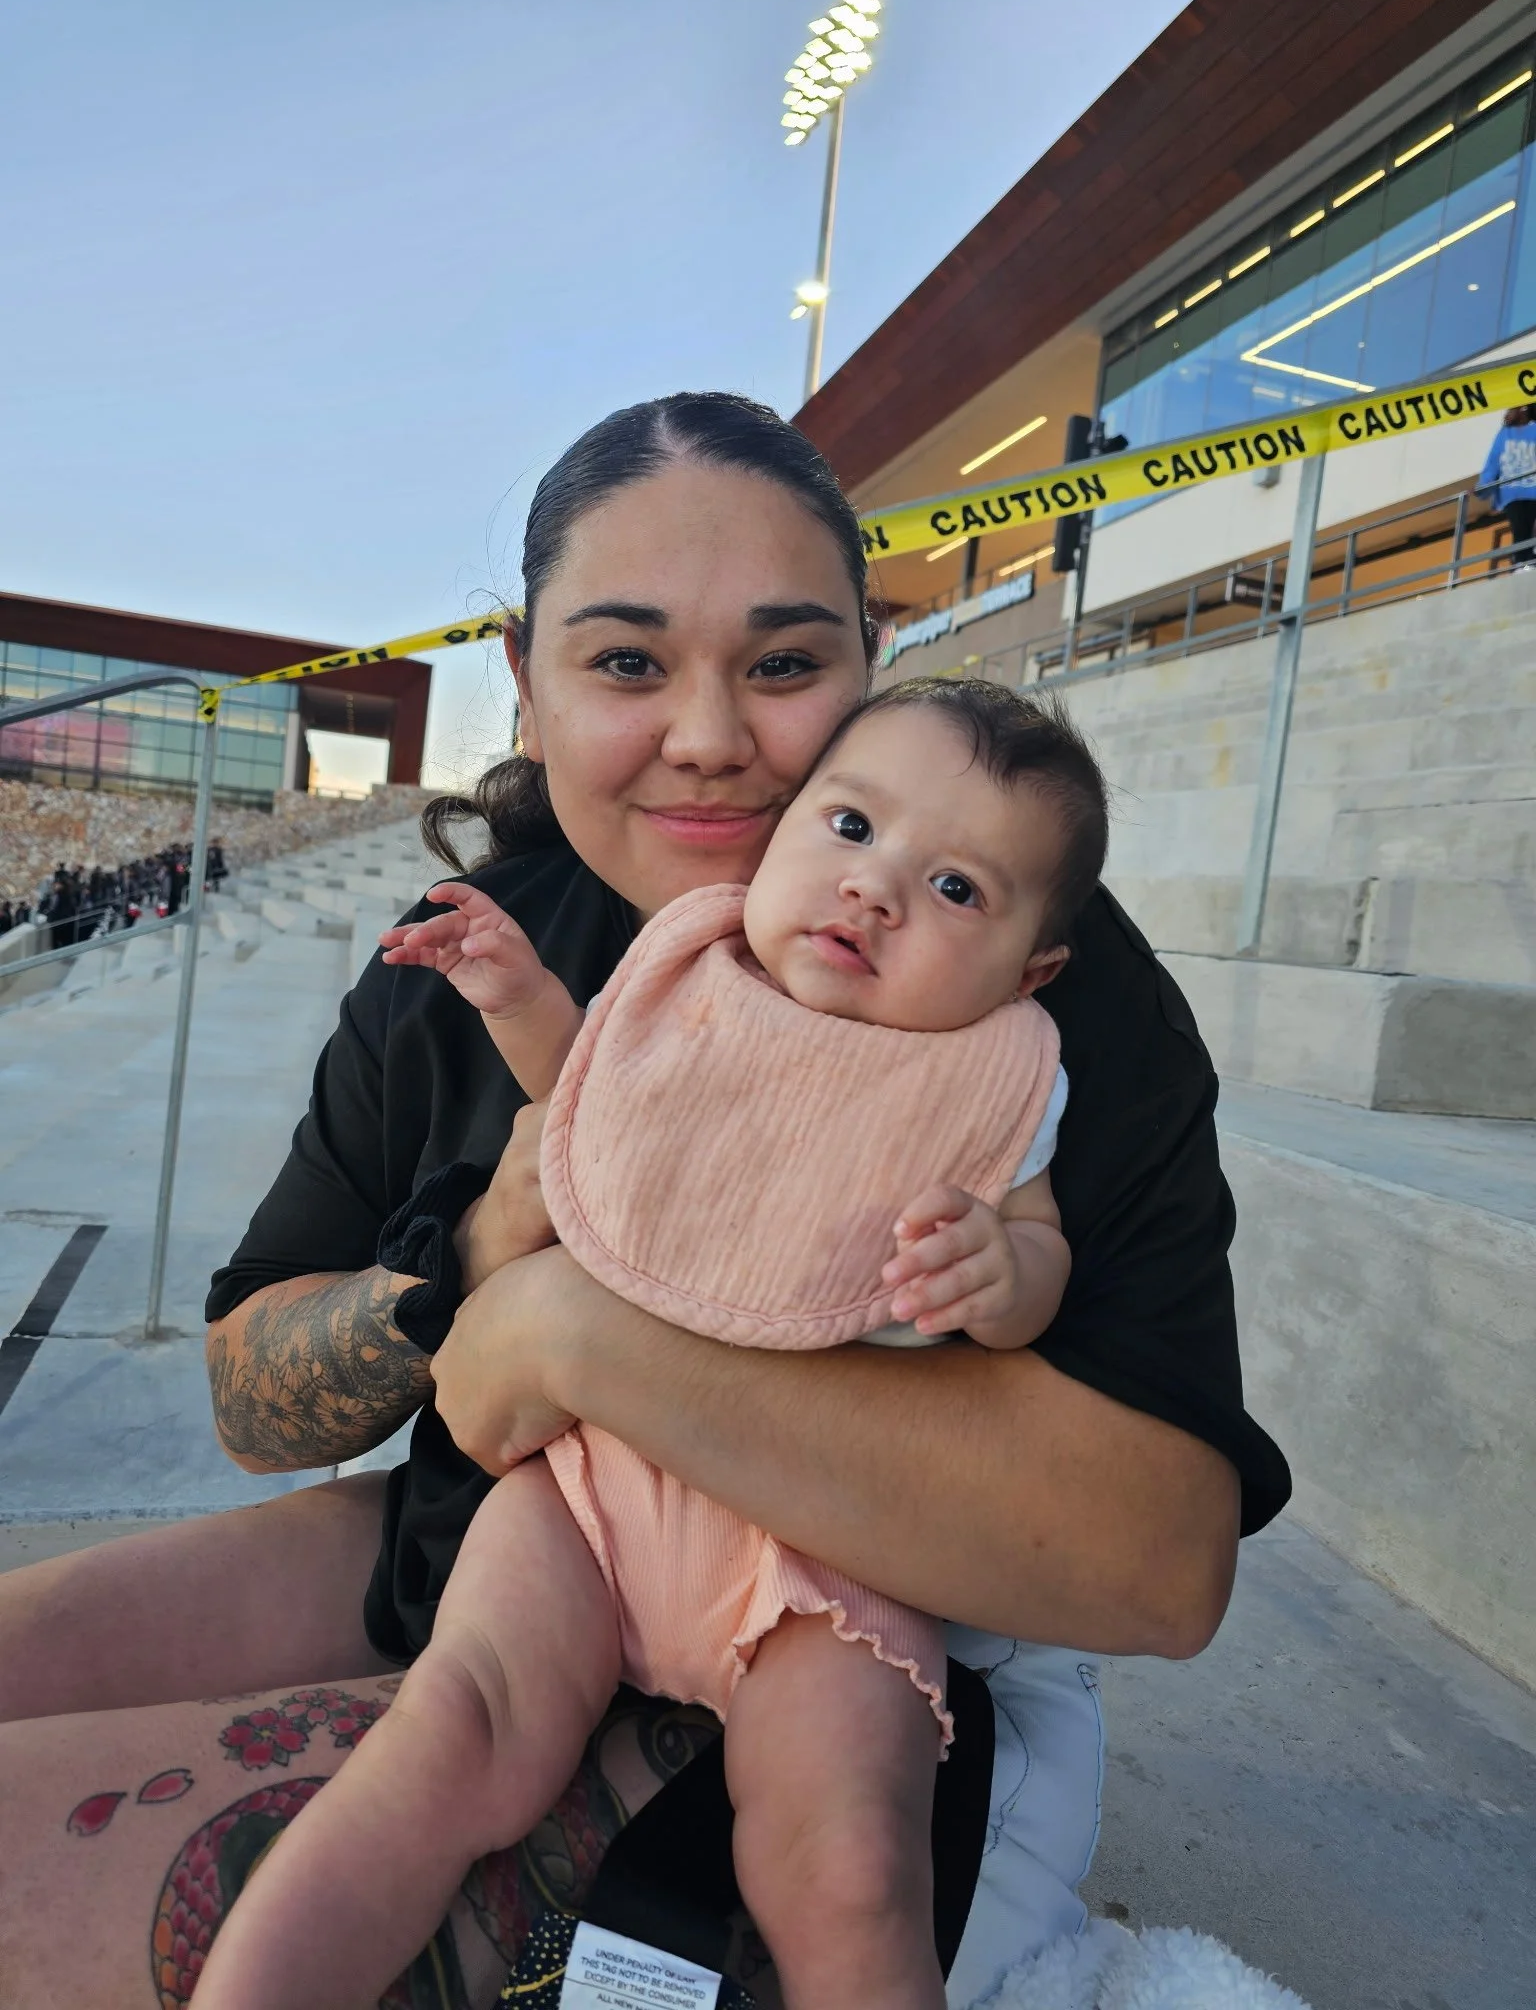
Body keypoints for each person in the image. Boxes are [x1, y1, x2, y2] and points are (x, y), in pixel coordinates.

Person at [0, 392, 1288, 2009]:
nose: (708, 735)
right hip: (496, 1541)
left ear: (867, 660)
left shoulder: (1008, 989)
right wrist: (472, 1258)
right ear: (521, 674)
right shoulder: (474, 951)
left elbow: (1162, 1566)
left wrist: (576, 1331)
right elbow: (258, 1397)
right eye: (625, 662)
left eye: (782, 661)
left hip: (842, 1634)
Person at [195, 678, 1095, 2010]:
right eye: (849, 828)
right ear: (783, 835)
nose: (877, 891)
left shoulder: (995, 1077)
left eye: (957, 888)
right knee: (449, 1742)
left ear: (1030, 972)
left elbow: (1043, 1249)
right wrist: (514, 996)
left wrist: (1002, 1267)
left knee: (844, 1856)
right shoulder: (692, 975)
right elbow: (592, 1103)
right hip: (589, 1495)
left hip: (826, 1544)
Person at [1477, 404, 1536, 567]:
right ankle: (1521, 563)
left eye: (1512, 410)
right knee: (1520, 529)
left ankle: (1529, 560)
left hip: (1533, 491)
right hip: (1512, 494)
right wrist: (1482, 488)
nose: (1507, 414)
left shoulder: (1534, 430)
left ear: (1523, 410)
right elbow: (1492, 464)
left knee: (1531, 528)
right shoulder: (1503, 435)